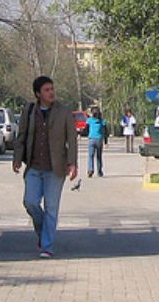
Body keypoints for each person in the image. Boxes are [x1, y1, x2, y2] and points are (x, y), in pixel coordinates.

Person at [12, 75, 78, 258]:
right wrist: (17, 158)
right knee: (30, 202)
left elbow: (71, 139)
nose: (51, 93)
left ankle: (47, 245)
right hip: (34, 167)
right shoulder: (29, 110)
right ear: (38, 94)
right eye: (47, 90)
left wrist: (73, 163)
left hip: (55, 169)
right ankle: (42, 232)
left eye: (52, 89)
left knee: (51, 207)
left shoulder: (63, 112)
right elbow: (22, 136)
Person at [85, 106, 107, 177]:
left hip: (91, 139)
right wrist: (106, 141)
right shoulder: (102, 121)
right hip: (99, 140)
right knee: (99, 156)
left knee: (90, 156)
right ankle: (99, 171)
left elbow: (86, 130)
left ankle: (90, 170)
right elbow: (105, 132)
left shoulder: (89, 120)